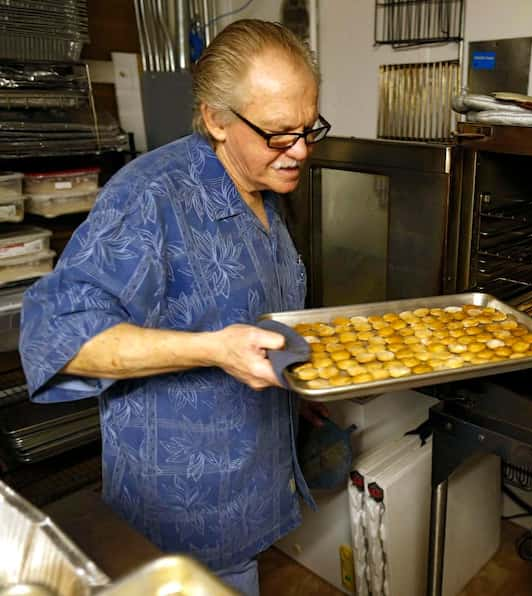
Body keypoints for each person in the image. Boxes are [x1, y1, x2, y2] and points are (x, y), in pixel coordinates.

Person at [19, 20, 330, 596]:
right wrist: (211, 350)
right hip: (182, 510)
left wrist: (299, 388)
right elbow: (57, 338)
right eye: (280, 133)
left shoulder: (258, 188)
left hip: (251, 481)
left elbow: (247, 313)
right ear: (215, 118)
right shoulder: (150, 197)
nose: (301, 151)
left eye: (310, 129)